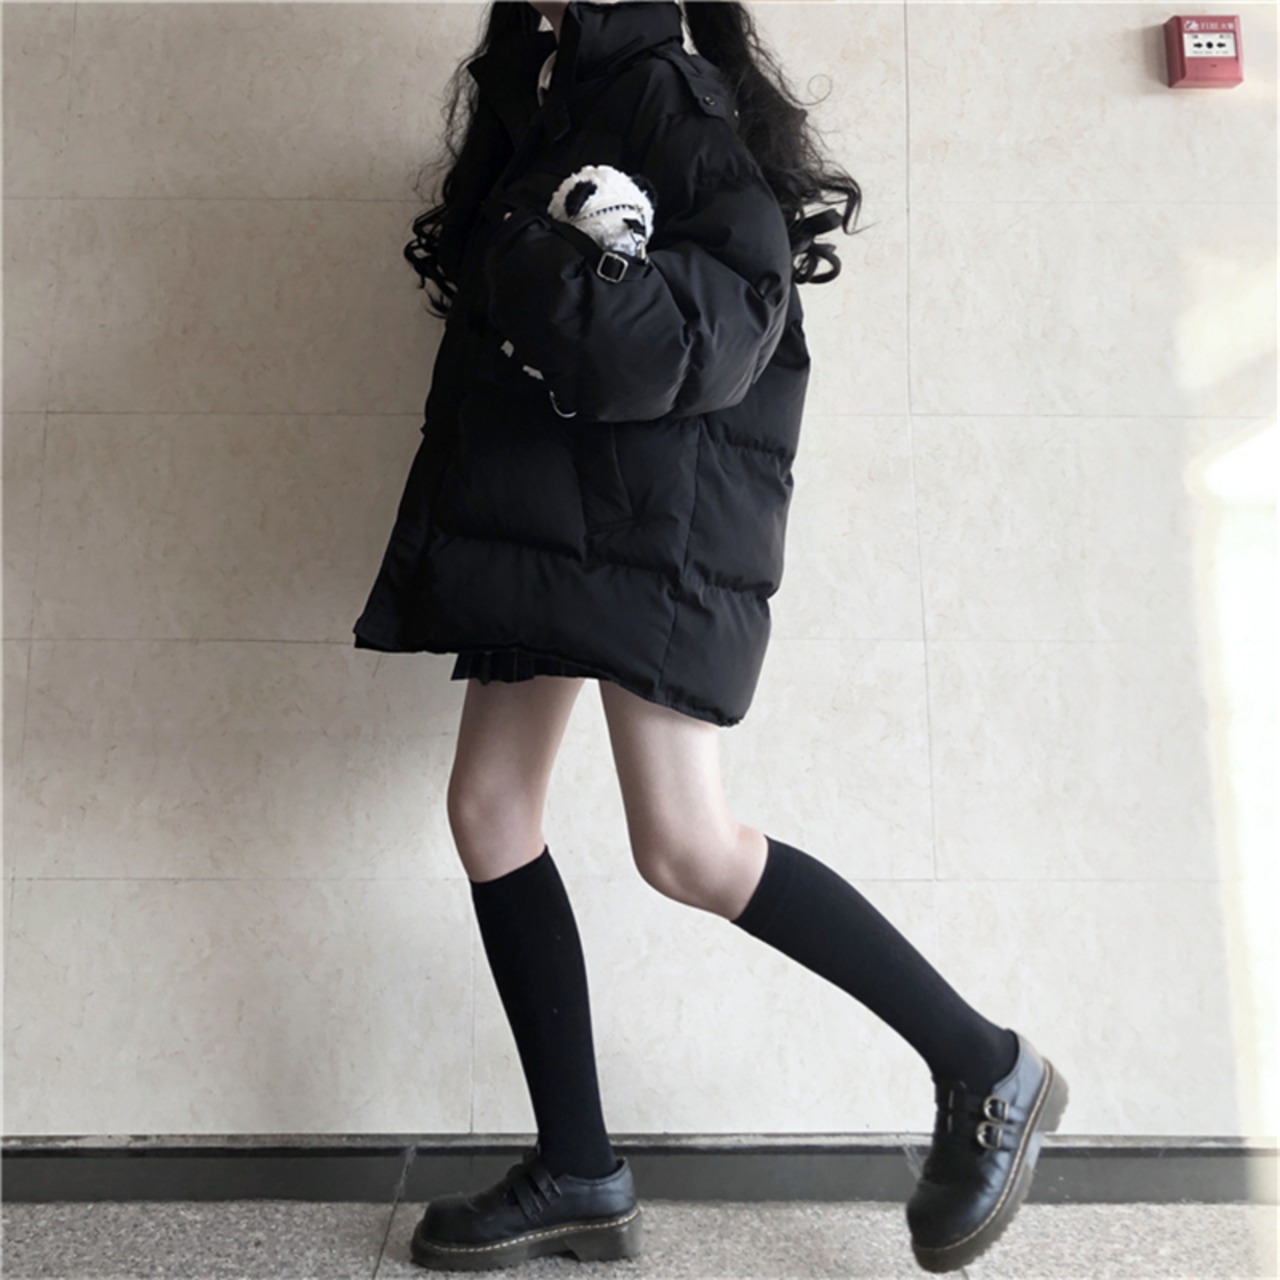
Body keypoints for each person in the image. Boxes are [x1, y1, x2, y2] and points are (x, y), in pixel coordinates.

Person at [352, 1, 1068, 1273]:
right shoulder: (558, 89)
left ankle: (986, 1065)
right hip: (566, 519)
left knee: (683, 844)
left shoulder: (663, 93)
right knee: (490, 809)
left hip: (649, 525)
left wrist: (540, 251)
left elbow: (714, 326)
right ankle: (579, 1167)